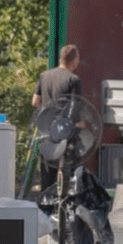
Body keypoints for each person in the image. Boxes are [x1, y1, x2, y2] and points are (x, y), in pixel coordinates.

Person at [31, 44, 83, 191]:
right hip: (66, 134)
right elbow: (75, 107)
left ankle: (44, 206)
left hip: (47, 131)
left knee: (47, 176)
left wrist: (48, 108)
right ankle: (65, 206)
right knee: (70, 176)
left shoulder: (45, 76)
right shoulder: (74, 80)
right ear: (74, 60)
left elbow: (35, 101)